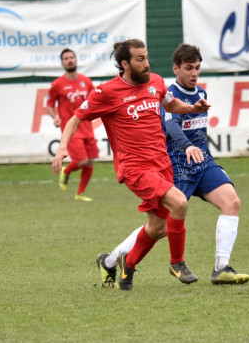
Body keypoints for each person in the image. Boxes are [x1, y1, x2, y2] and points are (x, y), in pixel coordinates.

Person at [52, 39, 210, 291]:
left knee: (158, 227)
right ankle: (177, 263)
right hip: (135, 168)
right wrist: (62, 150)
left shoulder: (156, 82)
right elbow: (75, 119)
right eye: (140, 59)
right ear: (125, 63)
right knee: (179, 203)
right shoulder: (106, 92)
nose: (146, 63)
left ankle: (124, 264)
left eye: (146, 57)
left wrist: (191, 107)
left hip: (162, 165)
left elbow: (170, 104)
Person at [103, 44, 249, 286]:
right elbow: (171, 126)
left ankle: (221, 268)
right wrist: (186, 146)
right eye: (189, 68)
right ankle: (112, 260)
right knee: (158, 227)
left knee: (232, 202)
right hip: (177, 167)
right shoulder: (165, 93)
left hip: (203, 164)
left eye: (198, 68)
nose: (194, 73)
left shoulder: (200, 93)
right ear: (176, 69)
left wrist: (198, 149)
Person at [46, 48, 98, 201]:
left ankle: (80, 194)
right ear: (62, 63)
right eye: (66, 58)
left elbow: (95, 99)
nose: (69, 60)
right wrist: (55, 116)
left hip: (87, 126)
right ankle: (66, 171)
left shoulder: (86, 81)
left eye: (71, 57)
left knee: (90, 161)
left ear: (76, 60)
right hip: (71, 129)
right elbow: (48, 104)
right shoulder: (57, 84)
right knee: (81, 161)